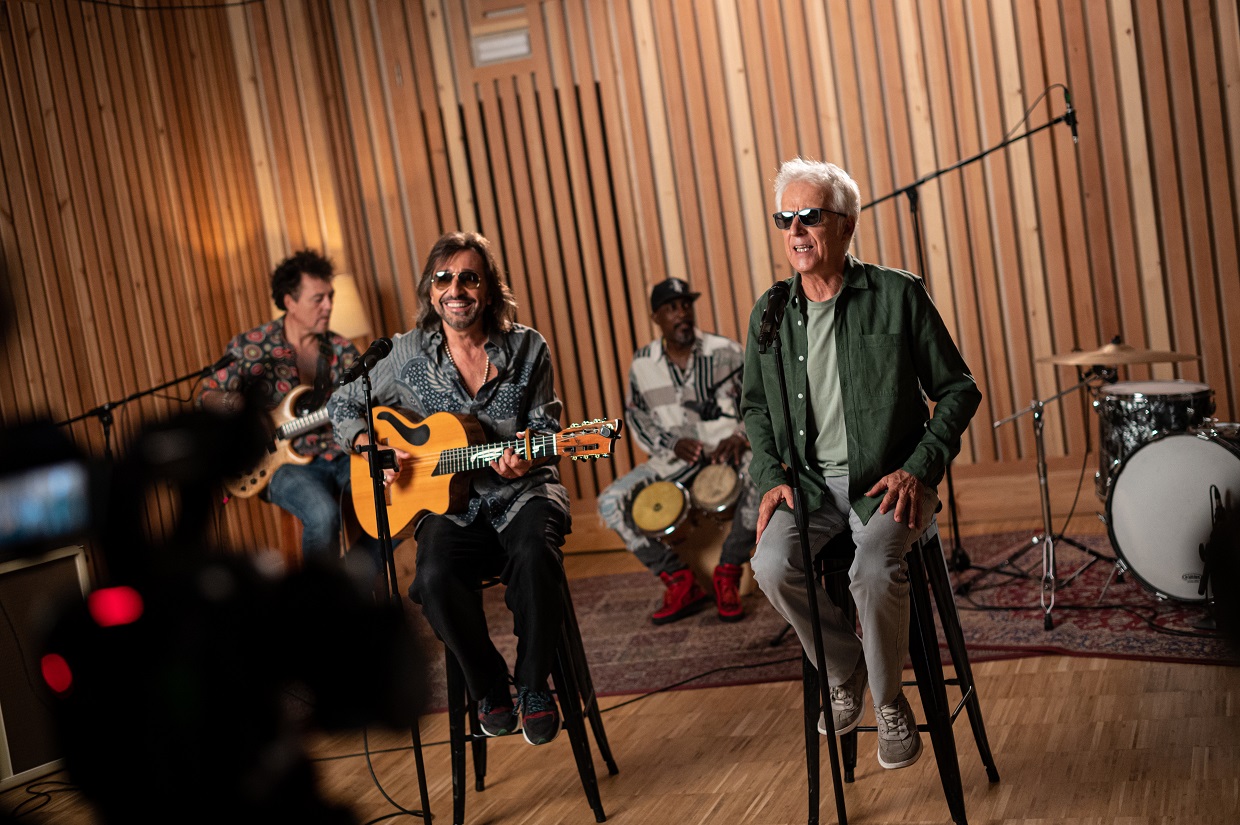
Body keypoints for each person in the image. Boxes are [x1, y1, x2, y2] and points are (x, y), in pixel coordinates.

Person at [742, 159, 981, 770]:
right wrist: (771, 478)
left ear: (846, 225)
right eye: (784, 218)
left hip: (891, 480)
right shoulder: (770, 313)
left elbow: (958, 389)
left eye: (810, 216)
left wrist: (919, 467)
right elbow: (756, 410)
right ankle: (845, 668)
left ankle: (889, 700)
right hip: (811, 485)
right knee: (770, 564)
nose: (795, 231)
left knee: (874, 569)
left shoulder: (898, 295)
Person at [327, 231, 570, 746]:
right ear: (429, 289)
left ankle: (532, 686)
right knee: (433, 576)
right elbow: (342, 405)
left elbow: (549, 431)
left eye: (468, 277)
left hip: (522, 494)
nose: (455, 289)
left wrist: (524, 458)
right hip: (450, 507)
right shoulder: (401, 354)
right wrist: (370, 446)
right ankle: (490, 689)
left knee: (533, 552)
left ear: (489, 288)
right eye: (444, 277)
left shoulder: (528, 347)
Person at [199, 250, 382, 574]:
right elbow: (207, 396)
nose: (328, 306)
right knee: (322, 514)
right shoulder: (251, 346)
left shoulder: (340, 348)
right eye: (317, 299)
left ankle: (352, 577)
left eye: (330, 296)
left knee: (390, 499)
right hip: (279, 465)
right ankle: (316, 604)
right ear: (289, 301)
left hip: (339, 453)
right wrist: (239, 406)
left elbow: (363, 401)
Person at [597, 278, 758, 623]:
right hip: (672, 461)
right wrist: (671, 443)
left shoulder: (726, 352)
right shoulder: (642, 363)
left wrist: (741, 435)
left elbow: (759, 404)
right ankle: (678, 579)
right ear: (657, 317)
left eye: (686, 305)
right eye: (672, 308)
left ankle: (728, 570)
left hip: (727, 454)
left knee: (764, 474)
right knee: (610, 502)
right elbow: (636, 418)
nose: (681, 313)